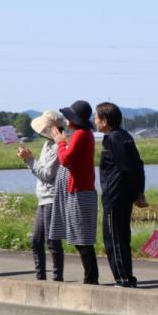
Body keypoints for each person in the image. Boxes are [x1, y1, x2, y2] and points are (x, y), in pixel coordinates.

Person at [95, 102, 147, 287]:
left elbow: (127, 168)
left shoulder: (112, 139)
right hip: (123, 196)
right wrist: (139, 192)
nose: (95, 121)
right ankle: (127, 277)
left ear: (105, 121)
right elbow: (138, 165)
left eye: (97, 118)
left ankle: (123, 279)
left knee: (113, 240)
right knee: (122, 238)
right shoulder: (125, 136)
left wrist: (137, 192)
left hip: (115, 196)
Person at [49, 101, 99, 284]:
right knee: (81, 238)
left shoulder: (80, 135)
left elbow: (65, 159)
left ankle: (91, 278)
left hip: (80, 192)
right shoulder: (84, 134)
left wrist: (60, 143)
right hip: (81, 191)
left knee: (83, 239)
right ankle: (90, 277)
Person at [17, 110, 65, 281]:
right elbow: (41, 171)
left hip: (52, 197)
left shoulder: (59, 147)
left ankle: (57, 278)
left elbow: (47, 174)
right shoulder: (47, 145)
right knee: (36, 240)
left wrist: (29, 160)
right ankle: (40, 277)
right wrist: (29, 159)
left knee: (52, 241)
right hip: (43, 198)